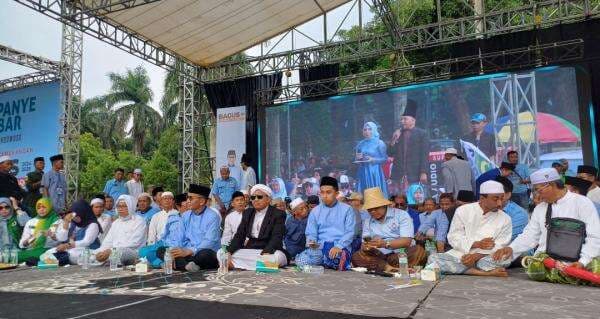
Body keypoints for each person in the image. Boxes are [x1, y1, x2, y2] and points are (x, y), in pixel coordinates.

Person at [493, 168, 600, 270]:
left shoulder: (582, 203)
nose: (536, 196)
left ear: (551, 185)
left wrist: (583, 261)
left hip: (576, 263)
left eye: (538, 190)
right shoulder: (540, 208)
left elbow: (595, 236)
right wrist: (512, 248)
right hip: (545, 264)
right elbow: (530, 235)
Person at [428, 181, 512, 277]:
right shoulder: (463, 211)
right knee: (433, 259)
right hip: (462, 254)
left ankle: (465, 268)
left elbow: (500, 245)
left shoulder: (506, 218)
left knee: (505, 257)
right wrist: (476, 244)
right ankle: (482, 272)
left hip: (486, 257)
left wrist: (475, 257)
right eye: (495, 199)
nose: (500, 203)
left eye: (502, 199)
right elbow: (453, 237)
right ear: (482, 198)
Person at [352, 187, 427, 272]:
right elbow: (364, 244)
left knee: (418, 251)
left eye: (375, 208)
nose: (372, 212)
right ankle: (390, 268)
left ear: (384, 205)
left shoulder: (402, 215)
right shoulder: (367, 221)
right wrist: (366, 246)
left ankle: (384, 267)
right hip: (378, 255)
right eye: (370, 210)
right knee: (356, 256)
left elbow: (407, 241)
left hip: (399, 254)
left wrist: (385, 244)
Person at [226, 184, 288, 270]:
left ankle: (239, 265)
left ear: (268, 199)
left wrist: (266, 253)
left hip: (270, 251)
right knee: (221, 253)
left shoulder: (278, 214)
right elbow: (239, 235)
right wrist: (229, 252)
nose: (255, 200)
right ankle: (262, 266)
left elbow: (276, 237)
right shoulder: (248, 213)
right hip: (251, 251)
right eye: (253, 198)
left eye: (259, 197)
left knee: (277, 257)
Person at [302, 176, 356, 271]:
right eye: (322, 192)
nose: (324, 196)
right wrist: (312, 243)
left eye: (328, 192)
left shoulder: (347, 210)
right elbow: (311, 233)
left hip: (339, 247)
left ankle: (333, 261)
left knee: (337, 257)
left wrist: (338, 246)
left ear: (336, 193)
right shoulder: (315, 211)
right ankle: (325, 261)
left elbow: (350, 233)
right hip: (320, 248)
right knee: (303, 261)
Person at [169, 184, 221, 272]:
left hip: (202, 252)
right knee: (163, 250)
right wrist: (176, 250)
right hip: (186, 253)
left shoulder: (213, 216)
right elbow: (179, 237)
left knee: (205, 254)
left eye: (191, 198)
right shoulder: (185, 215)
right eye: (187, 198)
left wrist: (190, 251)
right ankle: (188, 266)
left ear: (201, 201)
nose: (187, 201)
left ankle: (180, 265)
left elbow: (210, 241)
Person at [94, 194, 147, 266]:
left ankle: (108, 259)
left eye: (124, 206)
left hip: (132, 252)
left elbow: (134, 243)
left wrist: (111, 251)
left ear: (130, 206)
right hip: (112, 251)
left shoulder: (139, 221)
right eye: (118, 206)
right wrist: (101, 251)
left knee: (119, 253)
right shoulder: (116, 223)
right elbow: (108, 241)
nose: (120, 209)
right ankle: (104, 259)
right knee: (88, 253)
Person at [389, 99, 429, 188]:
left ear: (413, 120)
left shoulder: (422, 134)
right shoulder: (399, 133)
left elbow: (424, 155)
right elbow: (390, 153)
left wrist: (423, 172)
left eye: (405, 119)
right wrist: (393, 139)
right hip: (398, 175)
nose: (402, 121)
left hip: (414, 174)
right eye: (402, 119)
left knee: (415, 198)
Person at [54, 199, 102, 265]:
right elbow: (62, 239)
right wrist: (66, 223)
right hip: (73, 250)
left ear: (84, 213)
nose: (75, 218)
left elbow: (86, 242)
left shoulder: (93, 224)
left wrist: (67, 245)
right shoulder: (73, 223)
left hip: (90, 251)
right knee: (50, 252)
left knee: (71, 254)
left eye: (78, 215)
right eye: (74, 215)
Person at [18, 197, 61, 263]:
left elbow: (60, 239)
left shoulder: (57, 220)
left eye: (44, 207)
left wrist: (51, 236)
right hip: (31, 250)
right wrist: (27, 241)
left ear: (49, 207)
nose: (41, 210)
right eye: (39, 207)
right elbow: (22, 244)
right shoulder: (31, 222)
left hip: (49, 250)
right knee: (15, 256)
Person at [355, 121, 388, 197]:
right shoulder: (360, 144)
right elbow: (357, 158)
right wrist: (358, 158)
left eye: (369, 129)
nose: (367, 131)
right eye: (365, 129)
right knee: (363, 194)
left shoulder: (380, 143)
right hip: (362, 171)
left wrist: (373, 159)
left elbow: (385, 159)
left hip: (375, 172)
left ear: (374, 130)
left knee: (375, 196)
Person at [495, 176, 529, 240]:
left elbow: (504, 238)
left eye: (497, 193)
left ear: (508, 195)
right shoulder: (486, 208)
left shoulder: (519, 214)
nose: (493, 196)